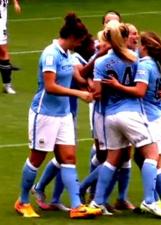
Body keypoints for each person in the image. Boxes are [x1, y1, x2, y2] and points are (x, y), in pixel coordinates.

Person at [14, 12, 102, 219]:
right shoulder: (50, 54)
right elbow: (50, 86)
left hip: (63, 114)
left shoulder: (67, 54)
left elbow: (74, 74)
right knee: (37, 158)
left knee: (69, 157)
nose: (80, 45)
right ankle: (23, 201)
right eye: (79, 41)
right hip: (45, 114)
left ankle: (76, 206)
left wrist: (87, 84)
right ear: (71, 38)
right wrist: (79, 94)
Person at [89, 21, 161, 218]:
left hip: (109, 116)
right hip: (131, 114)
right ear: (124, 39)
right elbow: (142, 88)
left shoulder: (100, 63)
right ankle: (150, 201)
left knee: (111, 160)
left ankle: (96, 202)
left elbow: (97, 93)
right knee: (152, 155)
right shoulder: (136, 59)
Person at [102, 31, 161, 216]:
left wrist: (117, 86)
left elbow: (139, 91)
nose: (134, 44)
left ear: (144, 47)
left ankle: (158, 202)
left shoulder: (144, 65)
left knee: (153, 159)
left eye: (138, 42)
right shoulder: (151, 62)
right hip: (154, 115)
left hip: (152, 118)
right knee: (139, 158)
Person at [30, 34, 96, 212]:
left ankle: (64, 201)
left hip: (67, 112)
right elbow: (58, 84)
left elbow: (83, 80)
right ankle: (32, 195)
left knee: (66, 157)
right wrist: (82, 91)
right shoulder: (63, 55)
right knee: (49, 157)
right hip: (52, 112)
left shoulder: (71, 53)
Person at [0, 0, 21, 94]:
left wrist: (16, 3)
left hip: (1, 24)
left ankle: (7, 85)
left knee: (3, 51)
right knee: (3, 52)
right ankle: (6, 66)